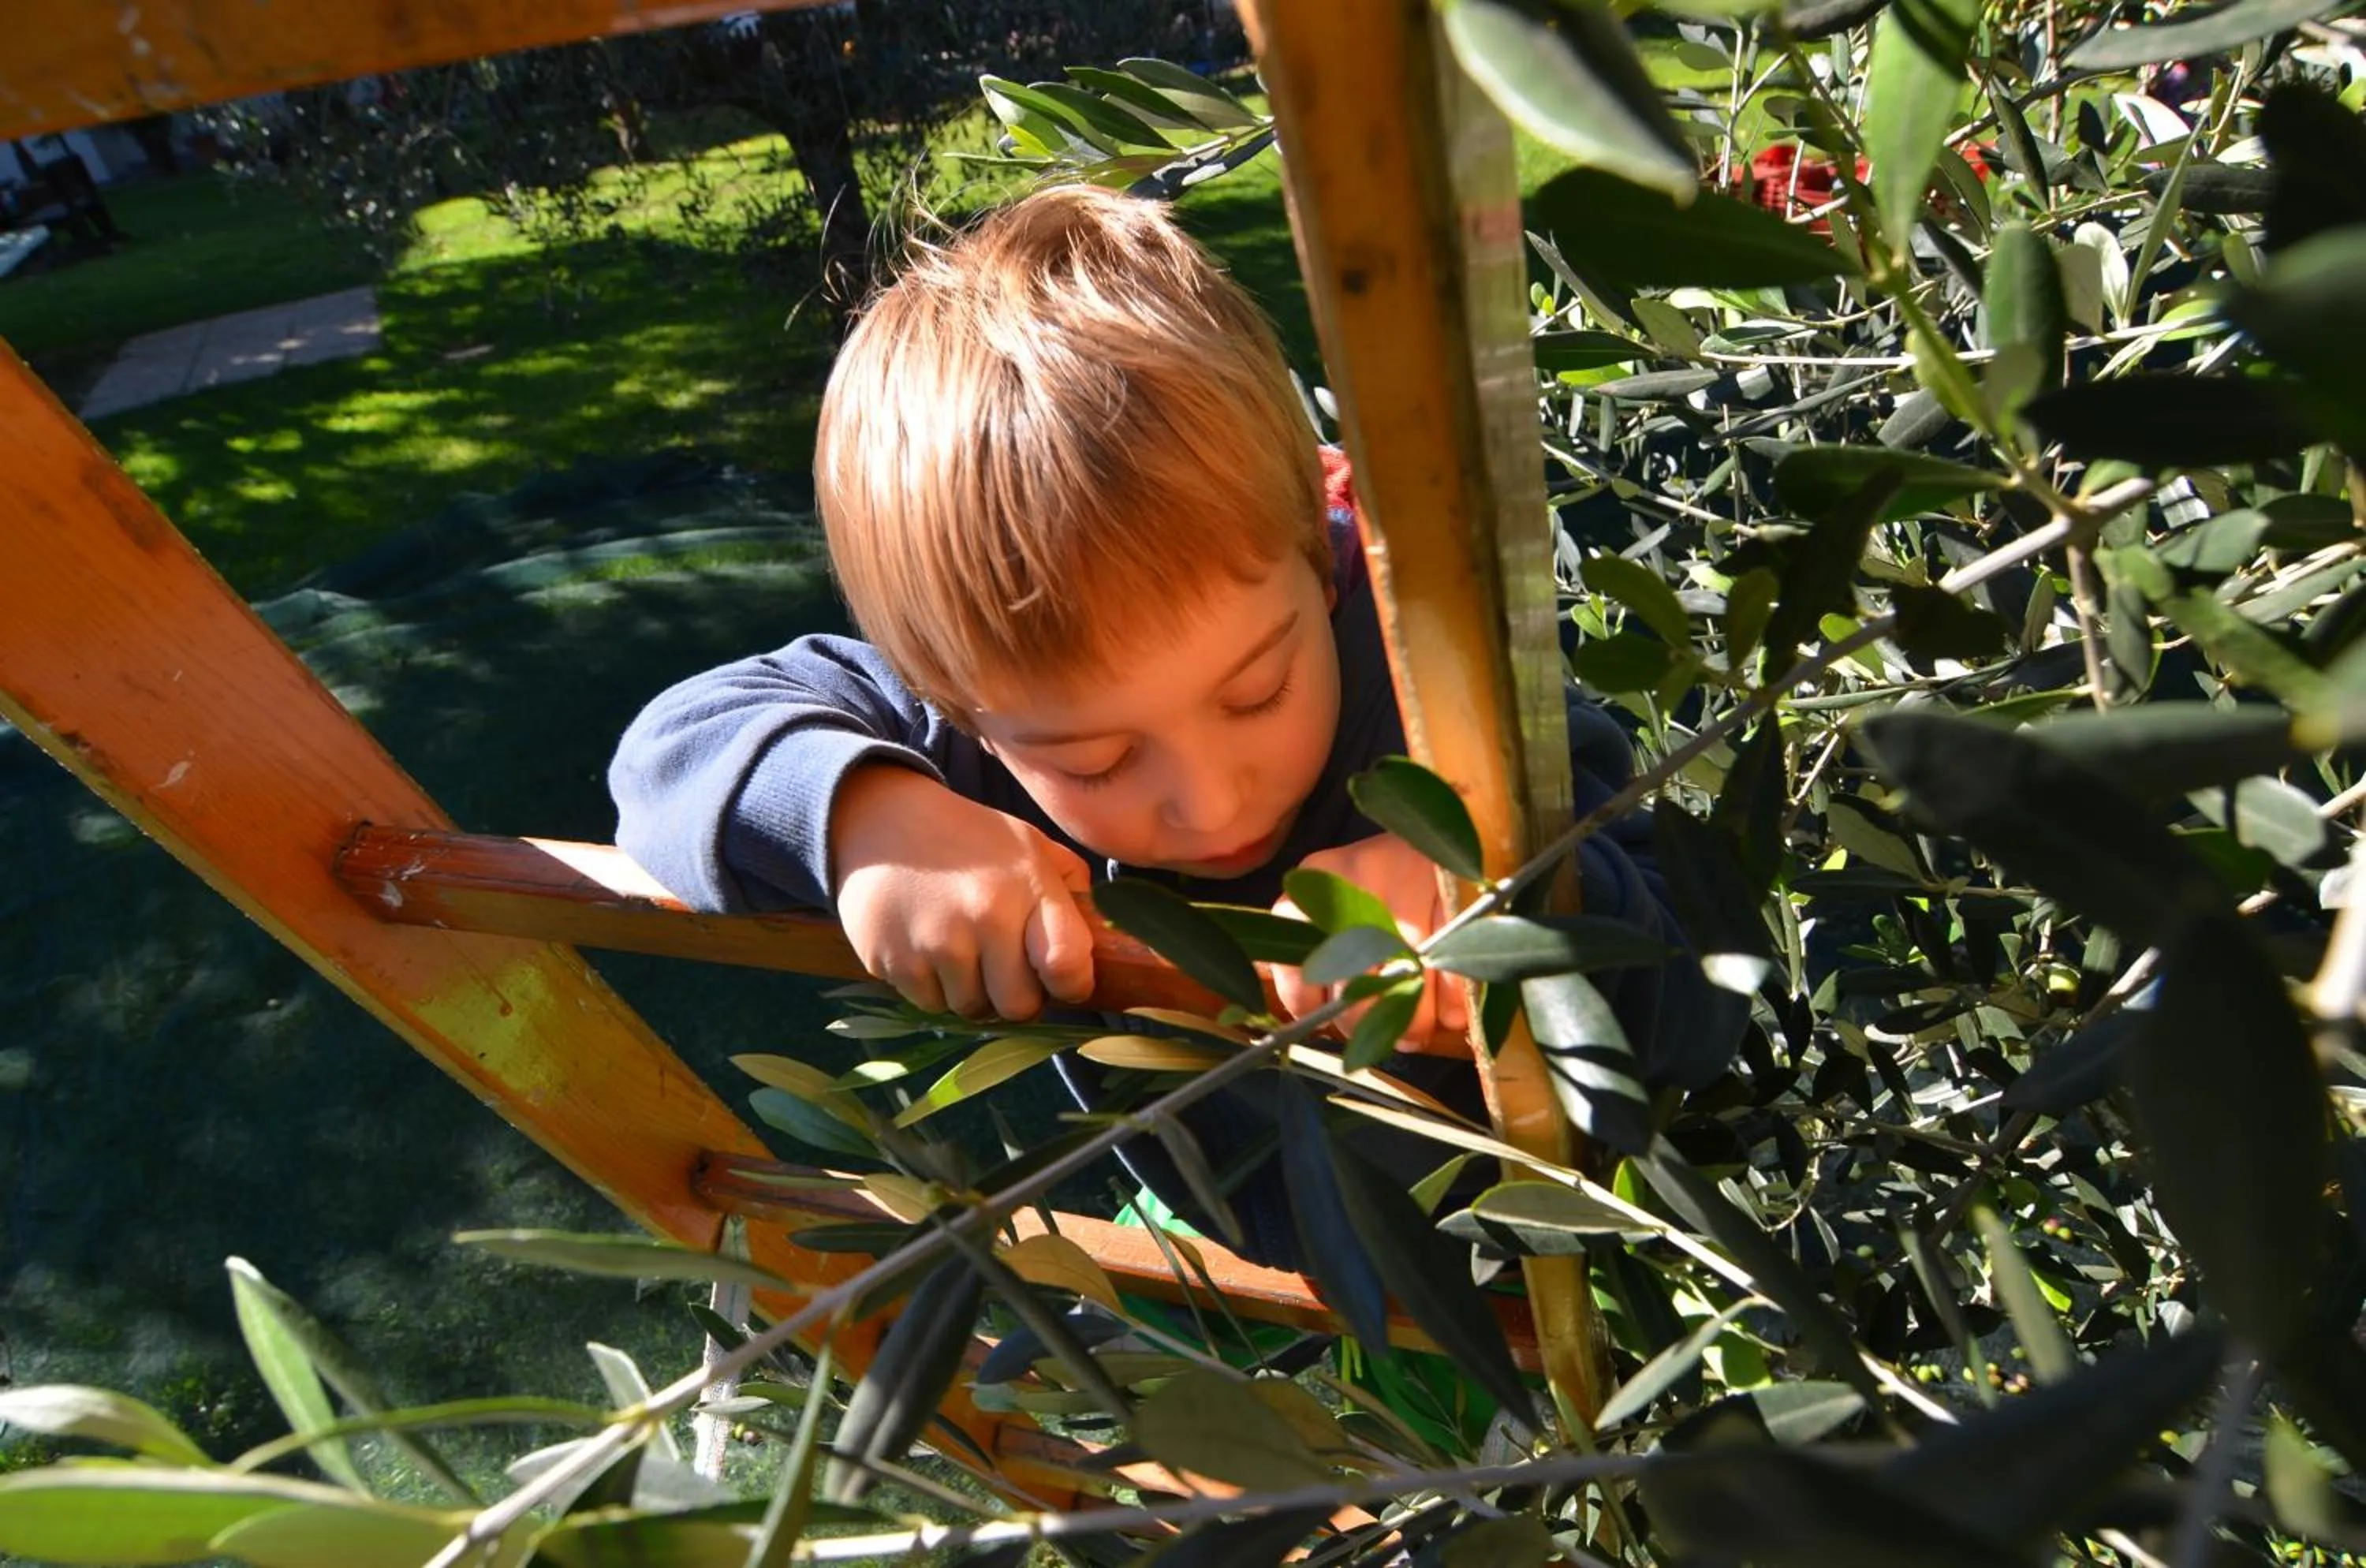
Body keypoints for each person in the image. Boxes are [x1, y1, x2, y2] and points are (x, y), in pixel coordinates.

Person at [610, 185, 1737, 1267]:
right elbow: (670, 752)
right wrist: (869, 818)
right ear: (953, 699)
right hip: (1247, 1252)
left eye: (1256, 692)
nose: (1210, 799)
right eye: (1089, 758)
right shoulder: (958, 721)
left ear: (1322, 532)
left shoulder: (1448, 691)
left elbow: (1699, 1006)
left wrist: (1509, 907)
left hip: (1560, 1262)